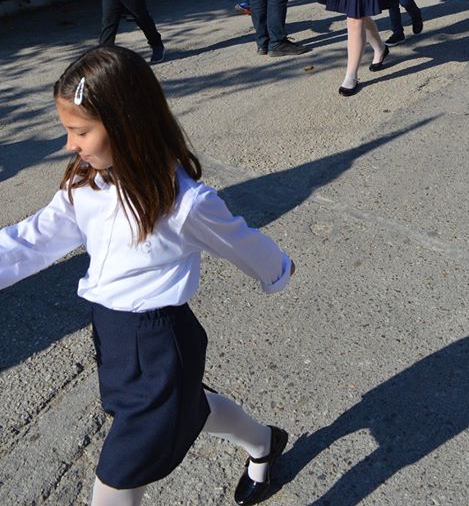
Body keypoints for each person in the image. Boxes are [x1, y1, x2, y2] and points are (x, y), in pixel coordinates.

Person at [0, 46, 294, 506]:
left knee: (117, 478)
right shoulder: (85, 184)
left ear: (125, 124)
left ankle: (262, 443)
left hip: (161, 343)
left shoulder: (184, 202)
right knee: (193, 408)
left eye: (80, 131)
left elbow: (241, 240)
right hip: (113, 335)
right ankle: (264, 443)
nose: (69, 145)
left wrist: (276, 268)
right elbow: (31, 240)